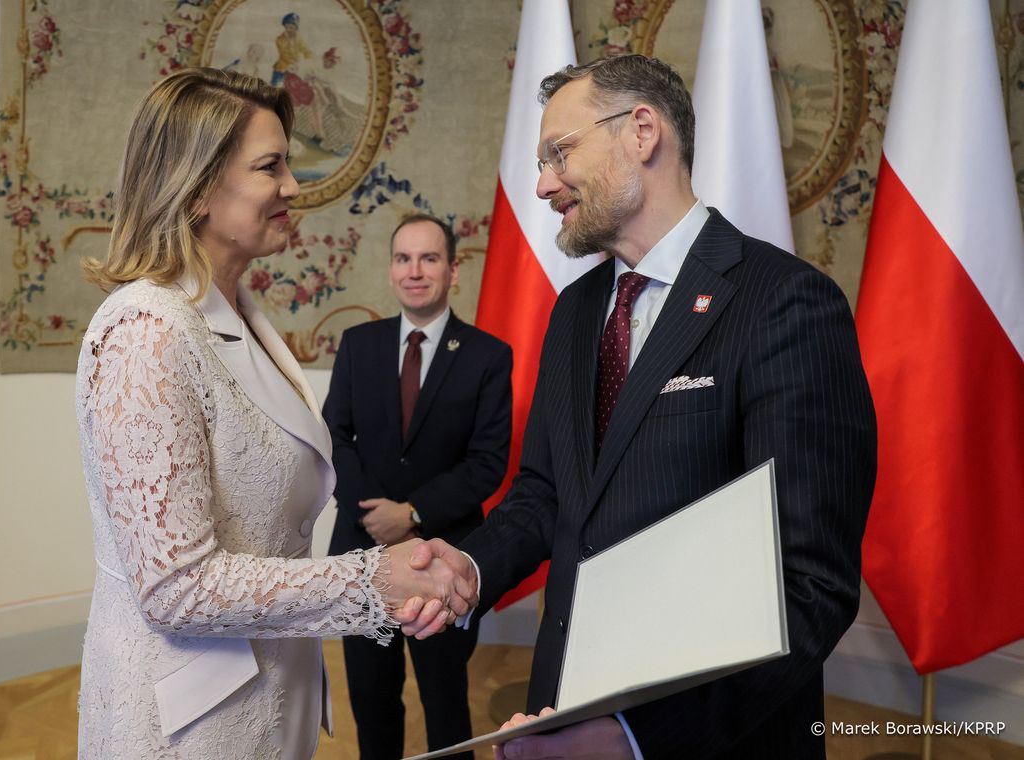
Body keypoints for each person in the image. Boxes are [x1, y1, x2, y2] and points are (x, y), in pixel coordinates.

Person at [408, 54, 877, 759]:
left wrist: (632, 739)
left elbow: (806, 585)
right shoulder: (574, 312)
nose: (541, 184)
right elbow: (546, 494)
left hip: (709, 736)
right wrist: (469, 570)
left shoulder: (783, 304)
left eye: (558, 154)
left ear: (642, 131)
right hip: (559, 710)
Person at [74, 68, 472, 760]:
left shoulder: (239, 315)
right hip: (187, 720)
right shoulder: (145, 334)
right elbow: (176, 588)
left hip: (265, 688)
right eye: (271, 167)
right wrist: (372, 578)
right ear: (196, 188)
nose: (294, 187)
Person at [324, 214, 513, 759]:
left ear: (454, 270)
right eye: (404, 259)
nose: (415, 271)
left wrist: (410, 514)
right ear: (390, 271)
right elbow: (335, 438)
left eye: (429, 259)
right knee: (372, 700)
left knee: (446, 704)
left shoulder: (487, 356)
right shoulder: (358, 344)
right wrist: (370, 515)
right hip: (361, 556)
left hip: (445, 559)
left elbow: (487, 464)